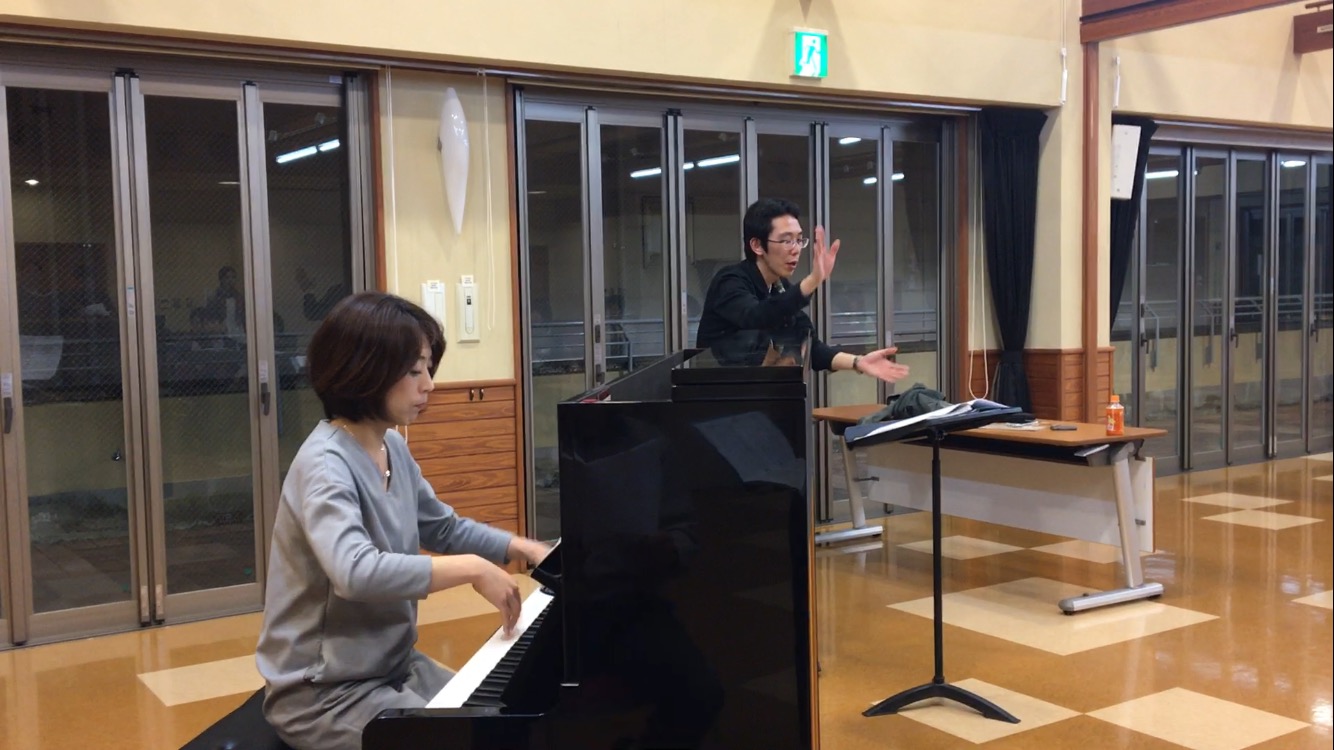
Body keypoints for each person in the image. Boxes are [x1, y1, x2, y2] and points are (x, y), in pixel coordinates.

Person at [255, 291, 551, 750]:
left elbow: (442, 527)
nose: (429, 385)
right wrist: (473, 568)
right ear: (364, 371)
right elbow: (354, 572)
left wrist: (522, 548)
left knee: (504, 721)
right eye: (414, 371)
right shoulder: (325, 465)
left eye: (428, 369)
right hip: (324, 694)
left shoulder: (391, 445)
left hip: (393, 667)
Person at [695, 197, 910, 383]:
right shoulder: (730, 281)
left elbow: (809, 344)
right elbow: (757, 315)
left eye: (799, 240)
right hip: (718, 401)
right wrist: (813, 280)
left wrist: (858, 362)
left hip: (761, 396)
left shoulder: (779, 287)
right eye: (786, 240)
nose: (796, 249)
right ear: (757, 245)